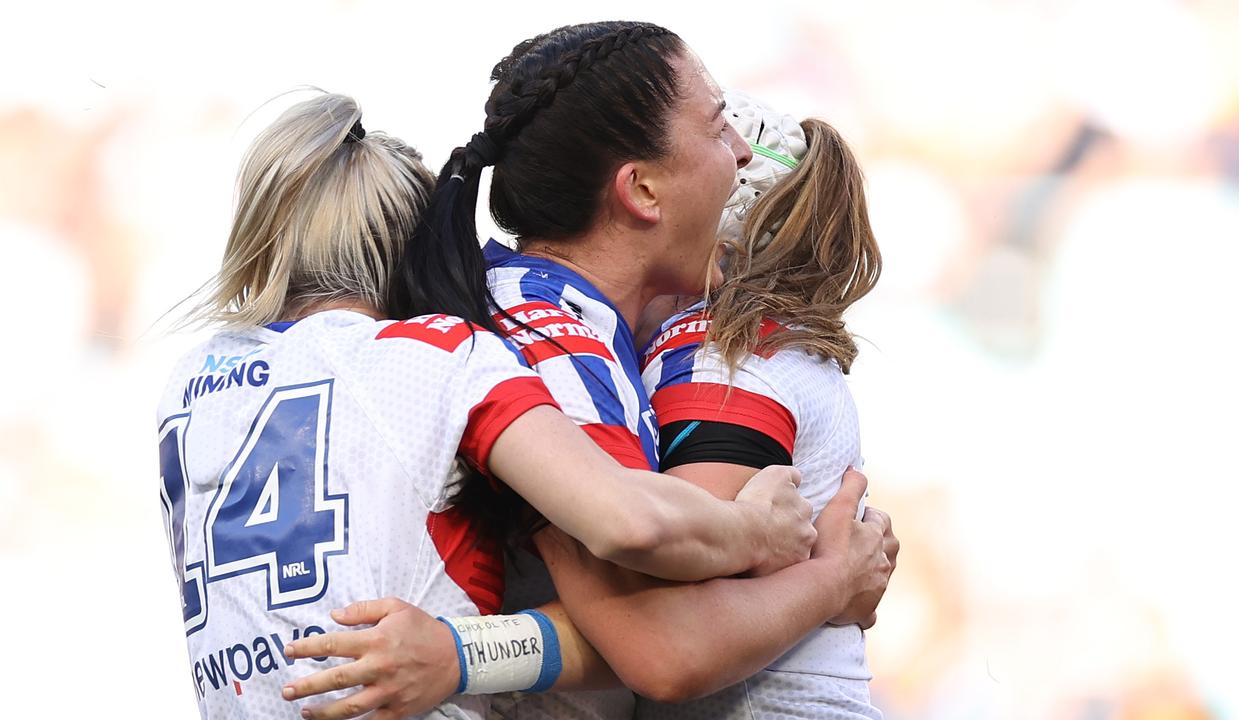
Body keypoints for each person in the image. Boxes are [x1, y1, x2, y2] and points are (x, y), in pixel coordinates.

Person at [283, 21, 897, 720]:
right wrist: (829, 578)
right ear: (641, 191)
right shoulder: (548, 339)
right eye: (720, 126)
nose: (736, 153)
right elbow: (661, 647)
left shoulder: (549, 318)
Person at [157, 91, 829, 720]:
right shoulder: (438, 352)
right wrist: (760, 535)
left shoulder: (191, 384)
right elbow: (636, 550)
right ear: (419, 247)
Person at [636, 90, 884, 718]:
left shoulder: (720, 358)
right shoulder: (767, 346)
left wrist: (466, 654)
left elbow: (683, 621)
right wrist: (836, 586)